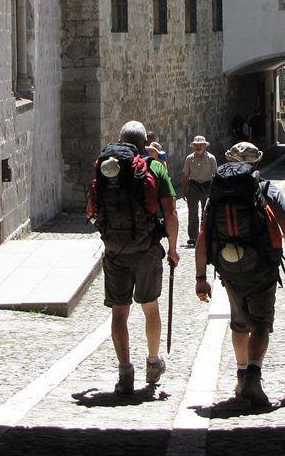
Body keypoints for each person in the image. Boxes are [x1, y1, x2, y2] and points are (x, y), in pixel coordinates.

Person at [195, 142, 285, 407]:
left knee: (238, 322)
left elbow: (203, 237)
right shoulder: (266, 190)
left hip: (229, 269)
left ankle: (241, 377)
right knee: (261, 323)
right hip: (262, 268)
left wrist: (200, 278)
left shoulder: (217, 194)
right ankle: (253, 375)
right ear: (257, 163)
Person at [87, 120, 180, 395]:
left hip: (115, 250)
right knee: (150, 306)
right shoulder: (154, 168)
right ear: (144, 142)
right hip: (146, 248)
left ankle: (125, 371)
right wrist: (173, 249)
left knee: (119, 312)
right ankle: (153, 363)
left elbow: (91, 212)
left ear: (120, 140)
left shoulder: (105, 168)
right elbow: (170, 212)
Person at [182, 135, 216, 248]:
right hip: (193, 186)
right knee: (192, 212)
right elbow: (186, 175)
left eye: (201, 145)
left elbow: (215, 176)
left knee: (206, 212)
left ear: (205, 145)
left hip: (207, 186)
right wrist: (184, 190)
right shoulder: (189, 159)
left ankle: (205, 235)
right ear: (193, 147)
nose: (198, 147)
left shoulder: (211, 158)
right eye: (196, 145)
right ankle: (193, 237)